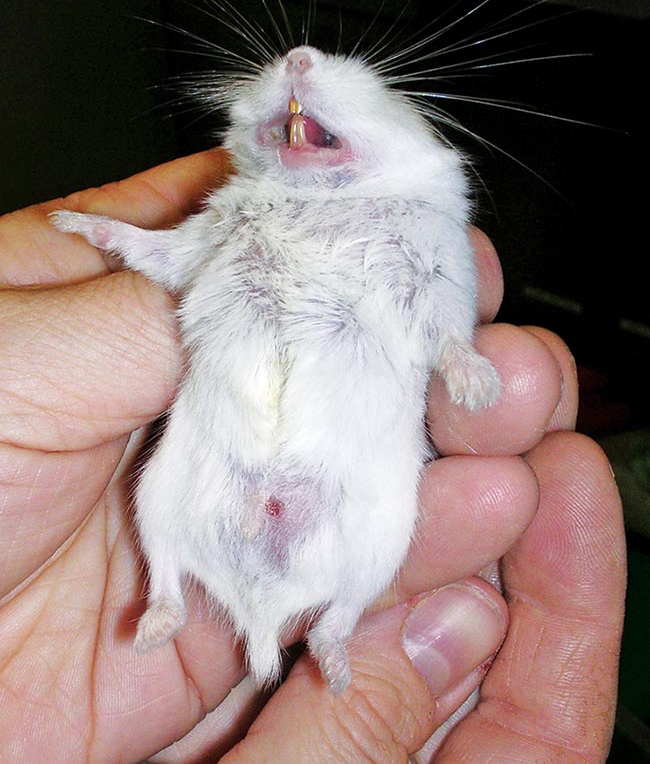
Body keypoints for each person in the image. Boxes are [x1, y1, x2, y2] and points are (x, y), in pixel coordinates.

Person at [0, 149, 625, 763]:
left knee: (388, 509)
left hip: (334, 493)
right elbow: (181, 254)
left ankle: (335, 620)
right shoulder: (245, 202)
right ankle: (166, 590)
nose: (299, 66)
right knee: (163, 484)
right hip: (225, 471)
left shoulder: (419, 222)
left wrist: (454, 352)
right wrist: (116, 235)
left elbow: (440, 307)